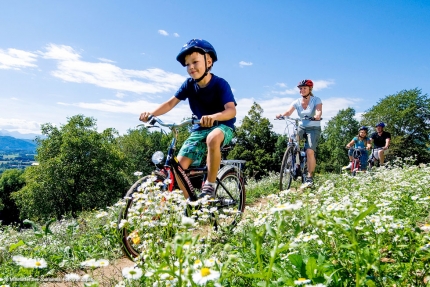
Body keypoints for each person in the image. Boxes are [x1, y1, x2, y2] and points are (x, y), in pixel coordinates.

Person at [139, 39, 236, 199]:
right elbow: (170, 103)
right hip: (199, 129)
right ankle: (191, 204)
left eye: (195, 62)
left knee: (213, 138)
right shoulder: (189, 85)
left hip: (223, 126)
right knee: (179, 167)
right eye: (187, 64)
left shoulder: (220, 84)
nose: (191, 67)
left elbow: (231, 111)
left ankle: (209, 186)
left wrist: (213, 117)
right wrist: (151, 114)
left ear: (209, 61)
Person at [276, 79, 323, 188]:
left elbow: (318, 110)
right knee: (292, 140)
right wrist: (282, 115)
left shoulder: (316, 100)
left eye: (304, 88)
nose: (302, 90)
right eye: (300, 88)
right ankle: (292, 161)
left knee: (310, 151)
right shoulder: (296, 102)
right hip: (301, 126)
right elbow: (288, 112)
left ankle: (310, 177)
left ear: (310, 89)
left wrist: (317, 116)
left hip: (313, 128)